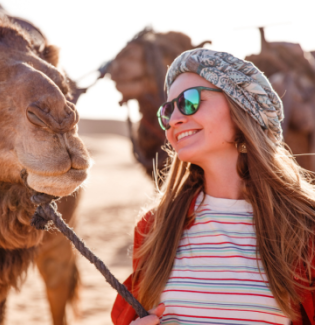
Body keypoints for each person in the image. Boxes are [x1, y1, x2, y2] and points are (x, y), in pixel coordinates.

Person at [111, 49, 315, 325]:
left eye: (190, 101)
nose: (173, 120)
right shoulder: (154, 229)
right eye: (167, 110)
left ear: (241, 107)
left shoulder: (303, 229)